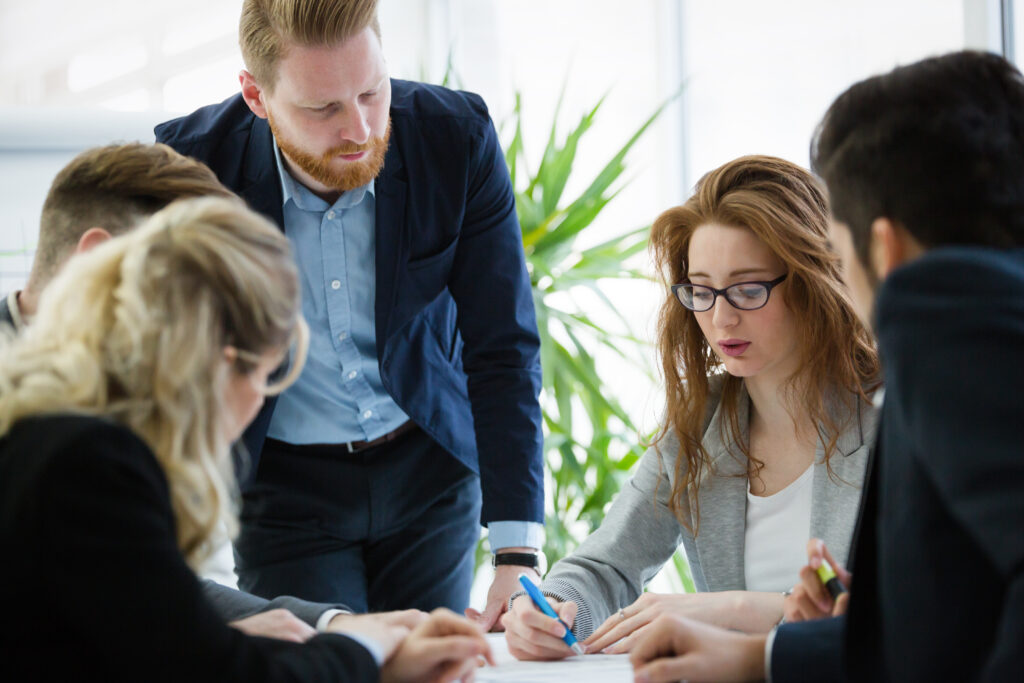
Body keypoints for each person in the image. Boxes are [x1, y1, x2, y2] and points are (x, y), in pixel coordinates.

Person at [627, 50, 1024, 683]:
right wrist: (811, 635)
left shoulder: (951, 329)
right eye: (702, 290)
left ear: (882, 248)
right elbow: (961, 617)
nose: (722, 316)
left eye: (839, 251)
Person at [155, 0, 544, 624]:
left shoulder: (456, 137)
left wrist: (516, 551)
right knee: (322, 665)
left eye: (372, 92)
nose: (360, 129)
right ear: (257, 96)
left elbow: (502, 346)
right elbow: (163, 364)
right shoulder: (191, 170)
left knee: (432, 663)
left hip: (429, 467)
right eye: (323, 108)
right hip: (283, 489)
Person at [0, 196, 493, 682]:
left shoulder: (48, 432)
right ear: (221, 362)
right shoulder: (95, 464)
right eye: (270, 377)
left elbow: (170, 632)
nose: (261, 403)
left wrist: (342, 641)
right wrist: (367, 646)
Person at [502, 155, 880, 660]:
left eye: (748, 290)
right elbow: (606, 565)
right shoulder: (702, 422)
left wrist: (739, 610)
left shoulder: (890, 414)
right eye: (701, 291)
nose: (721, 317)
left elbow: (908, 603)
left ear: (813, 281)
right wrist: (550, 607)